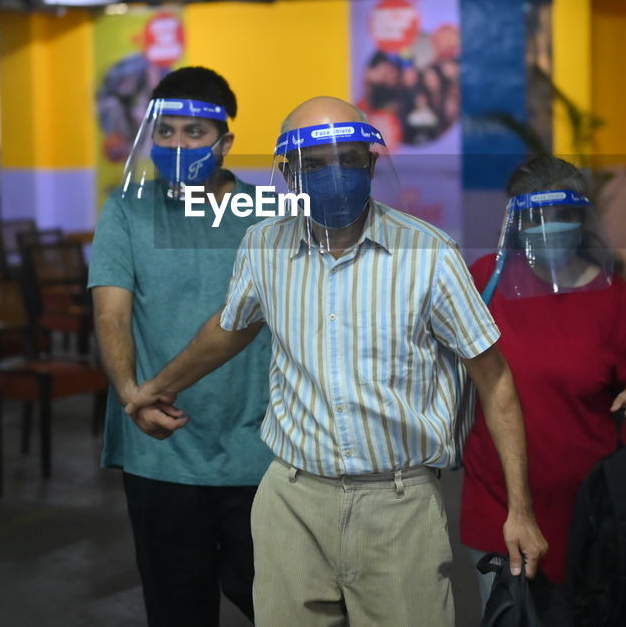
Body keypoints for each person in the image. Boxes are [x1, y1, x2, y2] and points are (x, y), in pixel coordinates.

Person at [125, 96, 547, 626]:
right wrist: (157, 387)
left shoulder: (429, 254)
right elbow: (230, 328)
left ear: (372, 164)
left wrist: (520, 510)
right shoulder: (263, 246)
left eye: (350, 159)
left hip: (398, 504)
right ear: (288, 172)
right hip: (291, 499)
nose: (336, 175)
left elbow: (495, 379)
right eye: (315, 164)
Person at [89, 67, 273, 626]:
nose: (177, 144)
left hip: (258, 450)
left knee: (275, 604)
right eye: (164, 132)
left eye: (195, 132)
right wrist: (132, 395)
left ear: (225, 141)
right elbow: (111, 312)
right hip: (158, 450)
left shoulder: (265, 217)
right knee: (176, 610)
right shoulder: (126, 209)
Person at [460, 156, 626, 602]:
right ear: (515, 222)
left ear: (581, 219)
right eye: (537, 219)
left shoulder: (614, 297)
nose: (549, 230)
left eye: (562, 218)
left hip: (593, 507)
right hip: (498, 503)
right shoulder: (484, 283)